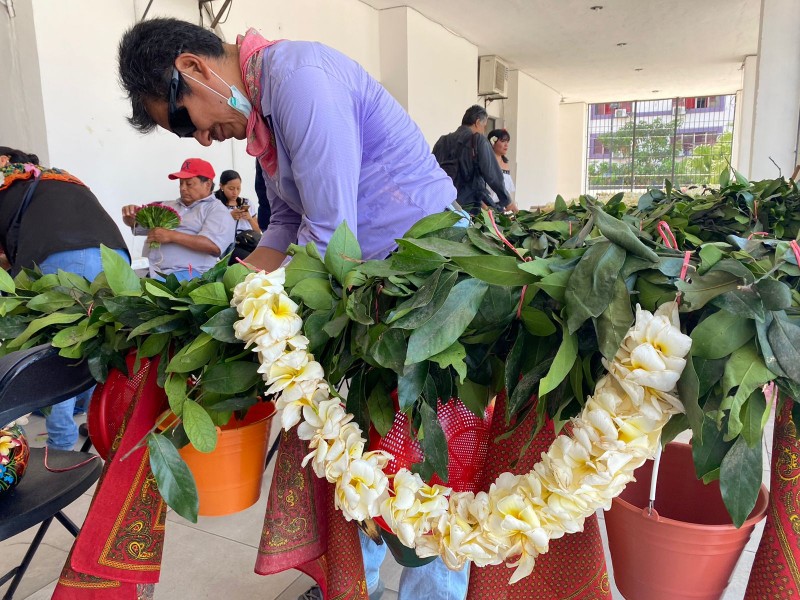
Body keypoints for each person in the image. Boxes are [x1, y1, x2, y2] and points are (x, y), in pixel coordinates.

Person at [117, 18, 466, 600]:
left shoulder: (300, 80)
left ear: (194, 69)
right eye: (185, 136)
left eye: (184, 121)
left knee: (429, 447)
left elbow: (331, 235)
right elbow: (284, 223)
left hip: (426, 278)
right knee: (364, 440)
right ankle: (365, 586)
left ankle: (432, 593)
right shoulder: (265, 116)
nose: (202, 140)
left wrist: (253, 313)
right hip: (363, 285)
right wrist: (223, 294)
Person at [0, 146, 130, 451]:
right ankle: (101, 429)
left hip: (68, 257)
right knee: (96, 342)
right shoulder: (55, 179)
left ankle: (59, 446)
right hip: (115, 258)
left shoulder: (9, 186)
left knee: (58, 352)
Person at [121, 158, 235, 280]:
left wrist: (171, 236)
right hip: (151, 271)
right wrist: (130, 217)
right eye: (181, 183)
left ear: (207, 184)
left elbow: (213, 246)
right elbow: (137, 226)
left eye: (189, 184)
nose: (183, 188)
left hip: (191, 275)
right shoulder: (167, 205)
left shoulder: (217, 210)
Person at [432, 105, 511, 216]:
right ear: (477, 122)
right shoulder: (479, 140)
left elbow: (432, 171)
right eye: (484, 126)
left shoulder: (442, 141)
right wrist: (507, 201)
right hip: (469, 210)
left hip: (443, 207)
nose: (484, 130)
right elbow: (493, 176)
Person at [215, 169, 262, 263]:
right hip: (230, 246)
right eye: (231, 188)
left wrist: (249, 219)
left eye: (238, 188)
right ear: (221, 186)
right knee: (251, 260)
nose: (235, 192)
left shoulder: (246, 202)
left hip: (249, 241)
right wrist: (229, 217)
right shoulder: (215, 204)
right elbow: (211, 231)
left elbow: (258, 231)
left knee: (264, 256)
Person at [486, 129, 519, 213]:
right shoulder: (486, 162)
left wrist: (510, 203)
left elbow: (506, 189)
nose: (506, 145)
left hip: (502, 207)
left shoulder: (506, 163)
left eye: (507, 141)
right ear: (493, 142)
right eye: (503, 141)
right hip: (486, 206)